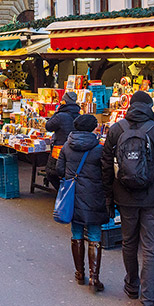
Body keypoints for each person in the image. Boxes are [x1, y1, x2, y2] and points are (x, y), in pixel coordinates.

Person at [101, 91, 154, 306]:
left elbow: (106, 163)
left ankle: (132, 285)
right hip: (153, 197)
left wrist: (109, 193)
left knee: (128, 242)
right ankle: (147, 302)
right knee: (150, 248)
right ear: (148, 108)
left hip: (124, 196)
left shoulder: (116, 129)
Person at [56, 114, 107, 291]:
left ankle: (80, 274)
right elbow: (106, 173)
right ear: (92, 129)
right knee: (94, 234)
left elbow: (59, 170)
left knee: (76, 231)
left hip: (73, 195)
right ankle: (94, 278)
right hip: (94, 195)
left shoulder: (66, 147)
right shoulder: (99, 149)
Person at [45, 91, 80, 189]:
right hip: (74, 147)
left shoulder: (60, 116)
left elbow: (48, 126)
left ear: (64, 102)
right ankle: (67, 191)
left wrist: (57, 111)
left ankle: (62, 192)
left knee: (51, 173)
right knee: (68, 172)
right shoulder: (79, 115)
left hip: (59, 148)